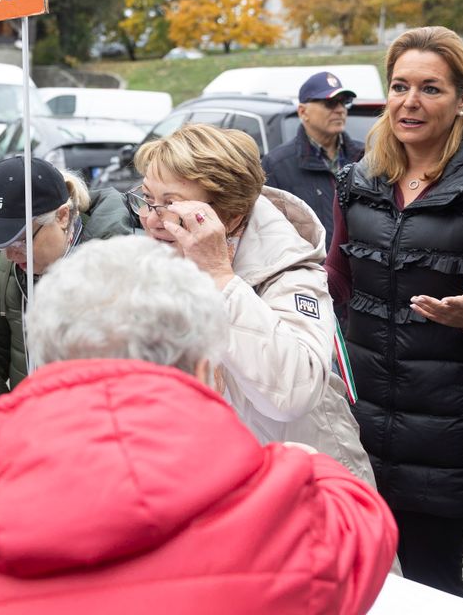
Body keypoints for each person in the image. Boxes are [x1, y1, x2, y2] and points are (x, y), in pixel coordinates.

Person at [0, 236, 399, 615]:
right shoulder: (281, 518)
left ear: (45, 358)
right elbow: (364, 529)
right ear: (205, 368)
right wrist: (309, 465)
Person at [328, 26, 463, 597]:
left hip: (449, 430)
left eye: (430, 88)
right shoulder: (357, 182)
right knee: (363, 580)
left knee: (434, 583)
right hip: (364, 419)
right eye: (400, 86)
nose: (410, 102)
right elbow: (336, 281)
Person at [132, 123, 376, 483]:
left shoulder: (292, 272)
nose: (151, 218)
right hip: (221, 482)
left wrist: (219, 277)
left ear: (229, 217)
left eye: (170, 204)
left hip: (303, 492)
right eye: (147, 198)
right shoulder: (165, 262)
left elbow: (292, 394)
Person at [0, 155, 133, 414]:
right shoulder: (13, 260)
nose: (10, 254)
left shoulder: (115, 267)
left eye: (20, 240)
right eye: (2, 241)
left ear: (63, 217)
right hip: (29, 426)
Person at [261, 71, 365, 248]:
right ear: (303, 111)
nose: (340, 109)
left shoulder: (366, 157)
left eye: (344, 102)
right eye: (330, 103)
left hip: (362, 268)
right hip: (313, 271)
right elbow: (270, 234)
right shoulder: (276, 165)